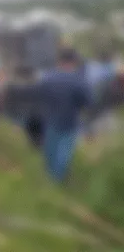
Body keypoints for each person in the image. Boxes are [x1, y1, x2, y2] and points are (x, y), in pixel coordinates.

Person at [37, 48, 90, 182]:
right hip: (69, 120)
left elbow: (39, 96)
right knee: (63, 151)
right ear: (74, 62)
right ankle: (57, 181)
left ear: (59, 61)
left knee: (50, 148)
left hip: (49, 118)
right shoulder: (78, 80)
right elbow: (87, 101)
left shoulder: (47, 77)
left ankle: (48, 177)